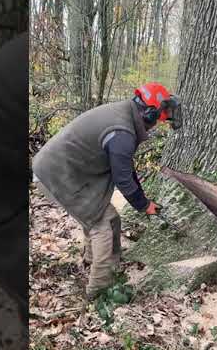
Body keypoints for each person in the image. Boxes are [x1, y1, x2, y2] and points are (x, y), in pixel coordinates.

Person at [32, 82, 182, 299]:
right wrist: (143, 205)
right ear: (149, 114)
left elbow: (126, 168)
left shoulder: (124, 116)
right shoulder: (122, 133)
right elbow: (123, 179)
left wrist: (145, 202)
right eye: (159, 119)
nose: (158, 124)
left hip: (66, 170)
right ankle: (99, 290)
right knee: (103, 224)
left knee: (105, 216)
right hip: (56, 175)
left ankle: (92, 260)